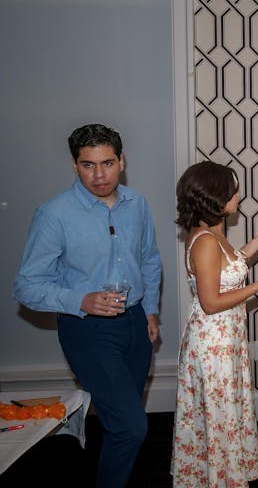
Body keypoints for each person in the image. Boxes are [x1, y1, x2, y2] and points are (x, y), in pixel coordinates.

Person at [13, 124, 162, 487]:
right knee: (131, 427)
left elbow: (149, 260)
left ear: (122, 161)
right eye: (88, 165)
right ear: (74, 165)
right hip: (86, 331)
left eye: (107, 163)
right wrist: (81, 299)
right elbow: (26, 286)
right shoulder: (54, 214)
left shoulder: (137, 204)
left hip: (135, 325)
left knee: (119, 424)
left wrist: (150, 310)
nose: (99, 175)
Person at [171, 161, 258, 487]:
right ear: (215, 198)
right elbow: (210, 302)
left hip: (225, 340)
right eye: (232, 190)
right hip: (213, 345)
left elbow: (225, 270)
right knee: (219, 413)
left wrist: (255, 246)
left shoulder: (213, 233)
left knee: (224, 412)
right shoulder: (206, 241)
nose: (238, 195)